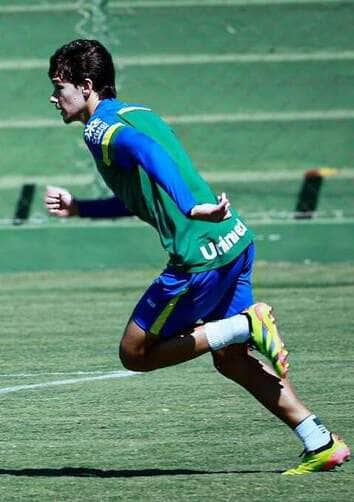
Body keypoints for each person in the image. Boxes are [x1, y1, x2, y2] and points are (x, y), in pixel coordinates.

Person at [43, 39, 349, 475]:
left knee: (135, 352)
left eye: (60, 87)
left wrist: (189, 206)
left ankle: (247, 324)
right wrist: (81, 209)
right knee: (230, 358)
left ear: (87, 85)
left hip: (198, 260)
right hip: (234, 243)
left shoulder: (100, 129)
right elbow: (142, 193)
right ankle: (319, 440)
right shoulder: (140, 112)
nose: (54, 98)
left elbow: (147, 155)